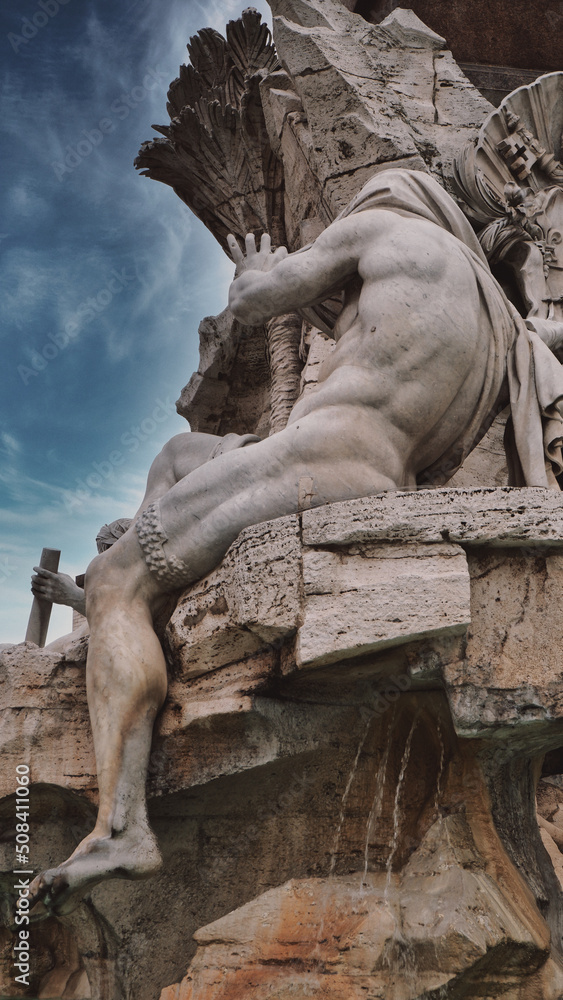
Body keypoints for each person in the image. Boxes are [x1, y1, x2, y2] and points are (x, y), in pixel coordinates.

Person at [28, 167, 563, 918]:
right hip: (383, 479)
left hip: (320, 455)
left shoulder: (383, 227)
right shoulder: (498, 327)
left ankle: (121, 825)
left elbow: (254, 302)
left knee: (118, 579)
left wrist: (253, 271)